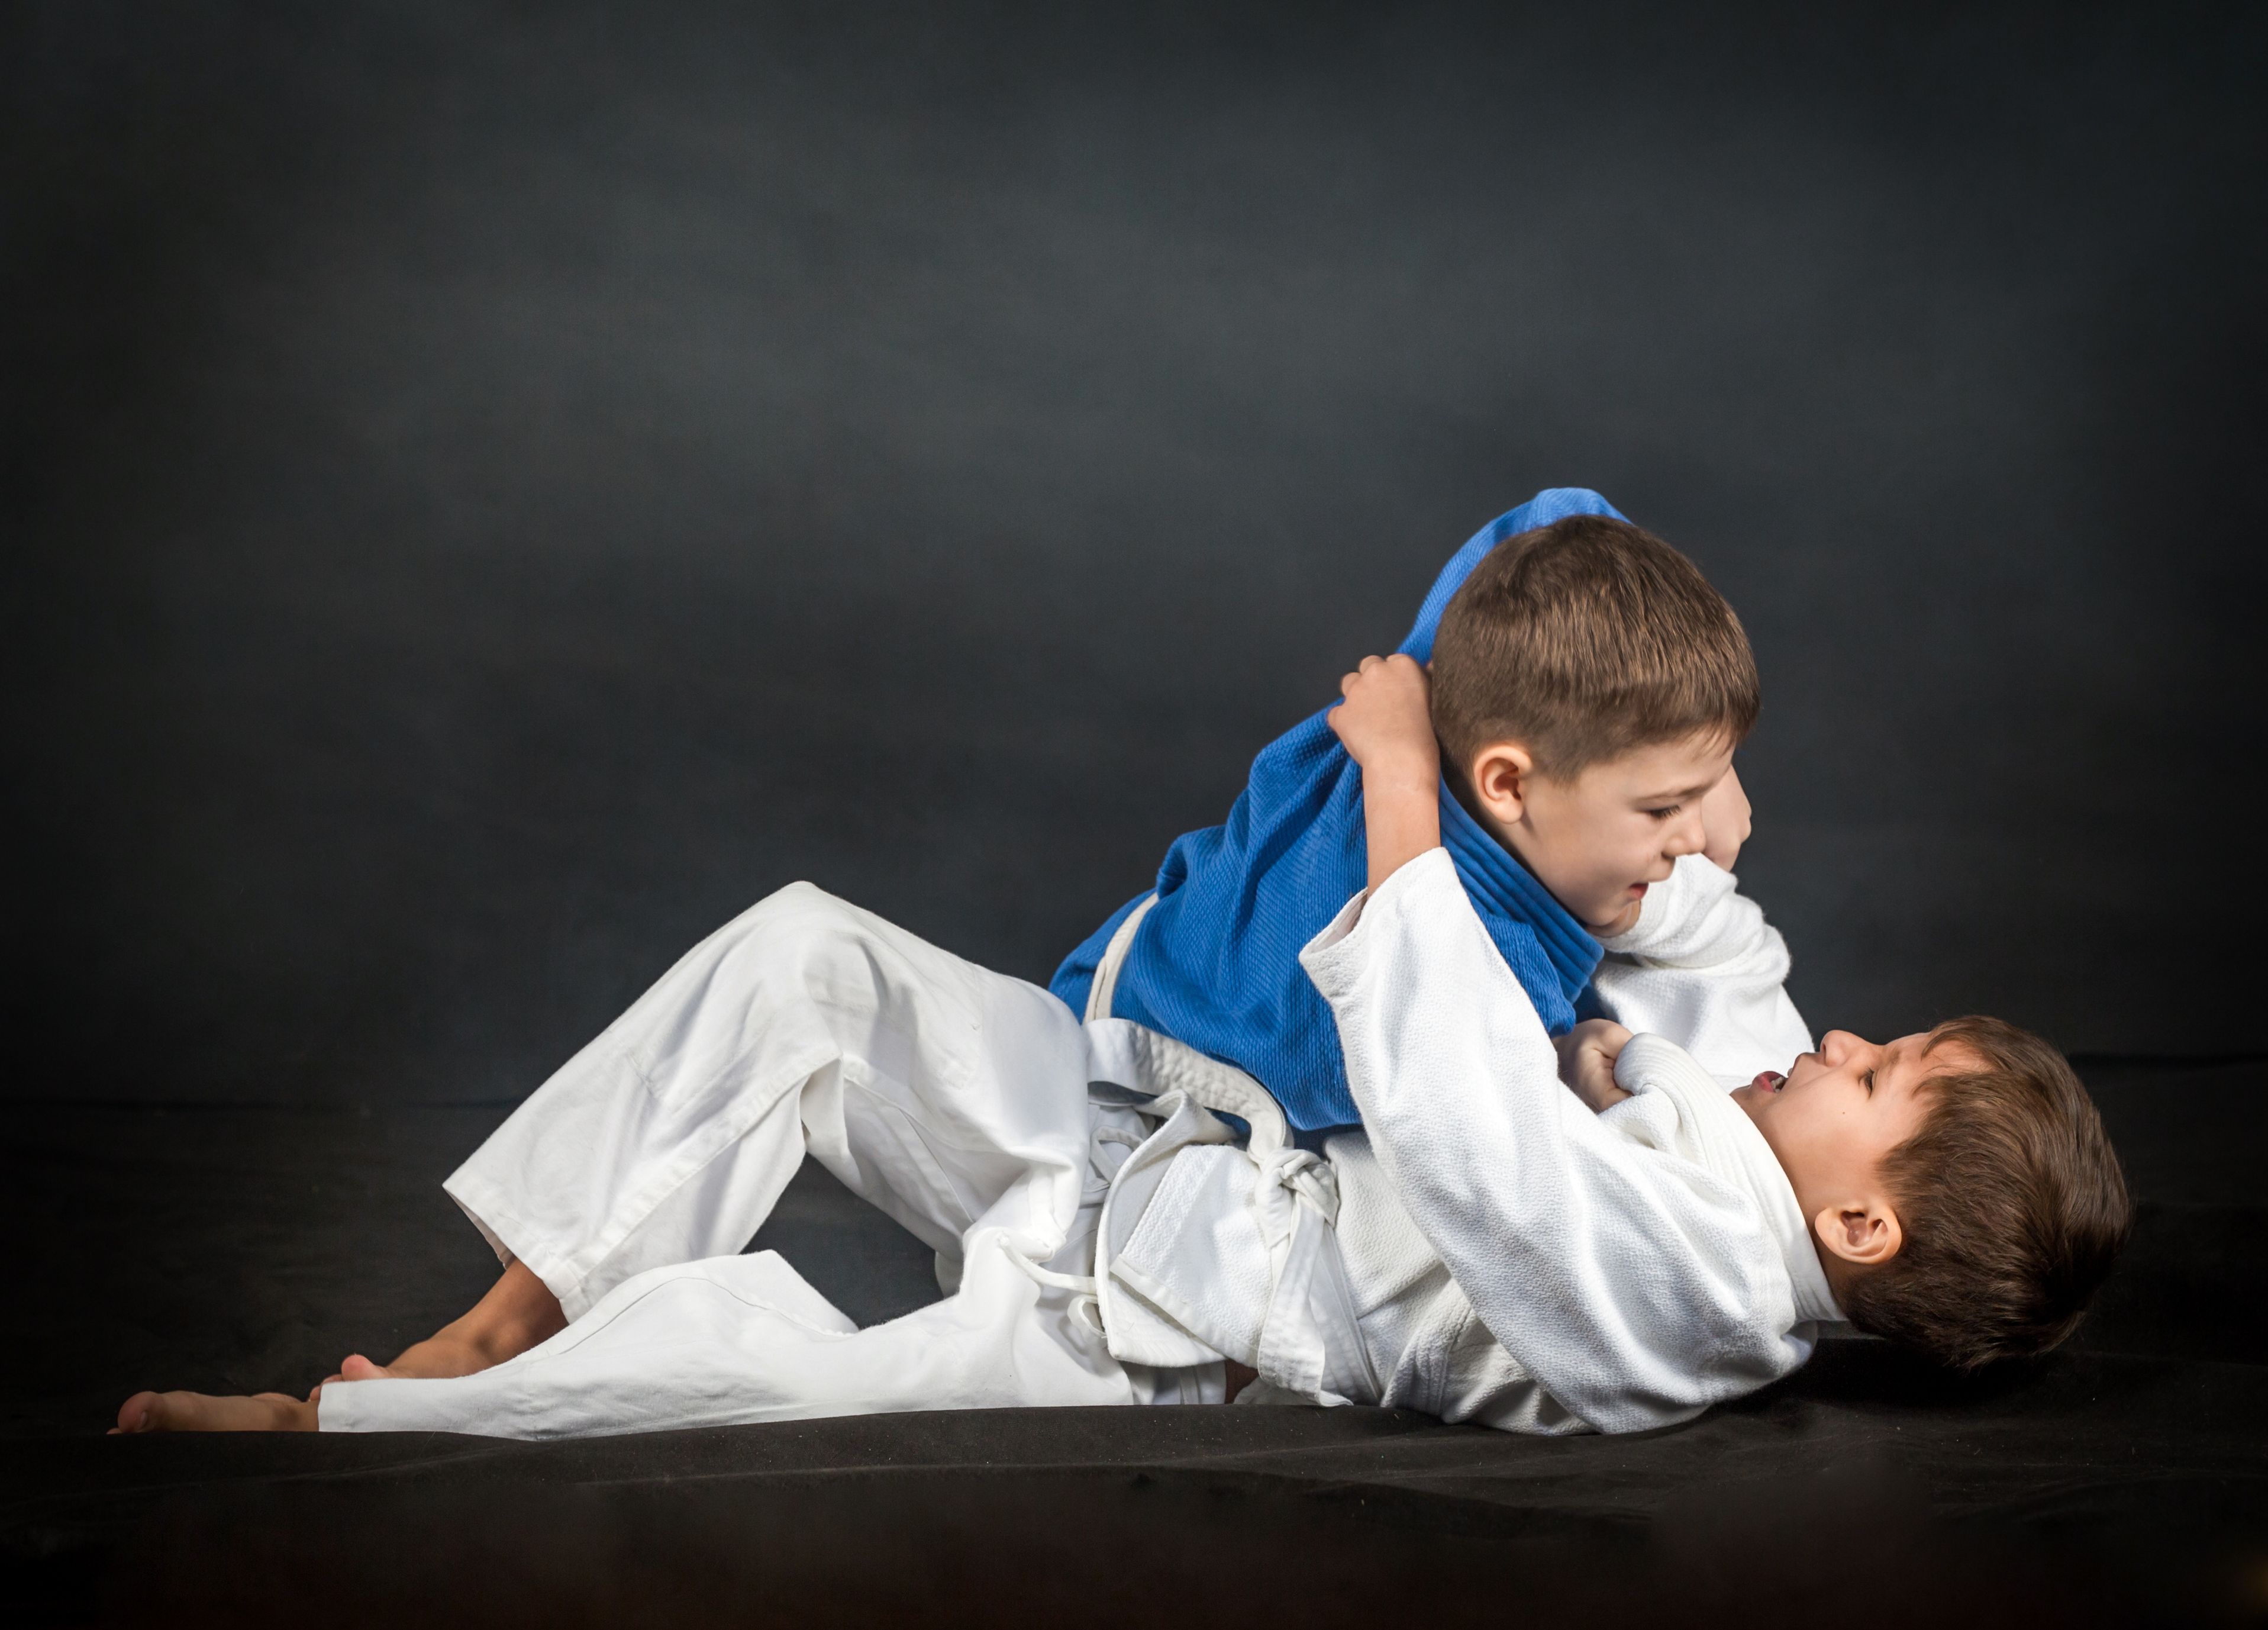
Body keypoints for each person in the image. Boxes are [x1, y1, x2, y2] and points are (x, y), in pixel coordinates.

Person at [112, 659, 2129, 1439]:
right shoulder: (1748, 1164)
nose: (1843, 1035)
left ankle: (344, 1430)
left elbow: (1459, 1126)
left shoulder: (1708, 1295)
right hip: (1140, 1149)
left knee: (753, 1373)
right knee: (812, 957)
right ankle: (496, 1312)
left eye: (1885, 1070)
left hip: (1149, 1328)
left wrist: (1414, 800)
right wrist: (1693, 830)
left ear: (1856, 1229)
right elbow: (1725, 971)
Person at [1051, 491, 1791, 1133]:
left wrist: (1708, 767)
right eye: (1662, 808)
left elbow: (1564, 512)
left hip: (1149, 934)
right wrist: (1567, 1072)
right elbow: (1458, 1126)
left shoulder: (1447, 670)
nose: (1692, 840)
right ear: (1505, 785)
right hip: (1135, 1073)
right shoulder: (1493, 969)